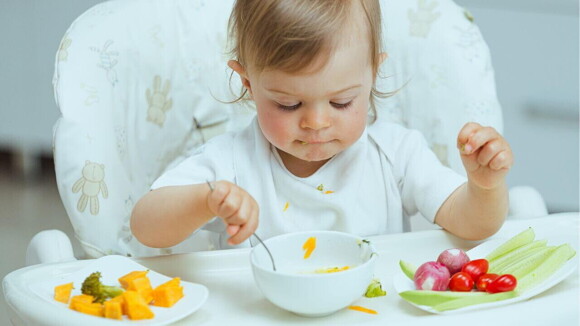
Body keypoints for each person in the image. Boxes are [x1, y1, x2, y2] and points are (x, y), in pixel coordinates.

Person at [131, 0, 513, 250]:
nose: (316, 122)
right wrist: (204, 200)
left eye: (341, 101)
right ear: (248, 84)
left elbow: (473, 226)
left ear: (373, 75)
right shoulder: (231, 162)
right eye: (288, 103)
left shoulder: (397, 154)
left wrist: (483, 187)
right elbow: (146, 228)